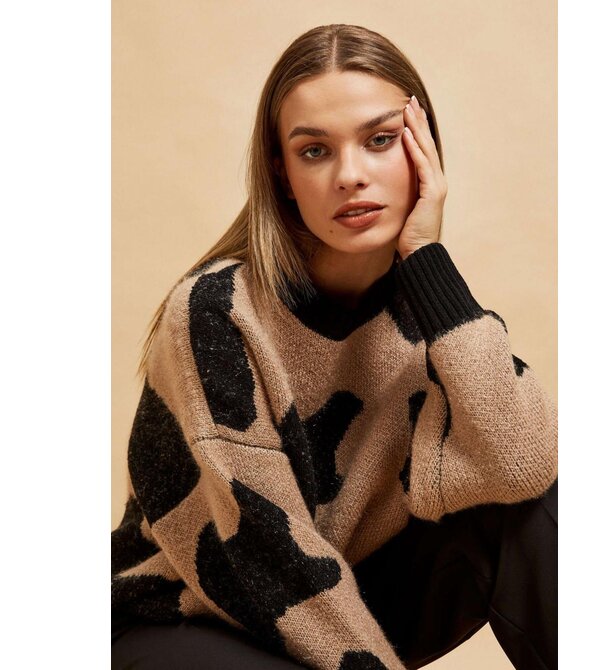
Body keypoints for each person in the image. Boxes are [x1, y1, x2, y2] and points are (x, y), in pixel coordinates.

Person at [111, 23, 558, 670]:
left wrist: (427, 259)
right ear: (283, 172)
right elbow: (266, 562)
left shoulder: (430, 313)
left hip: (344, 599)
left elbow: (523, 462)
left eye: (380, 141)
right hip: (192, 615)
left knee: (531, 508)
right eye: (315, 151)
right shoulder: (217, 312)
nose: (351, 175)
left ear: (423, 150)